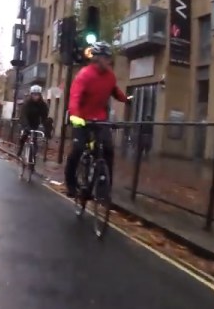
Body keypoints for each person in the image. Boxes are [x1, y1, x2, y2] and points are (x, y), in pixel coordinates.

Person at [64, 42, 130, 198]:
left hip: (100, 119)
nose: (109, 60)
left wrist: (126, 99)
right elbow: (75, 97)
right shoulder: (84, 75)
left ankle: (103, 188)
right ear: (97, 58)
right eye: (105, 57)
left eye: (109, 56)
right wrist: (75, 116)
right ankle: (71, 185)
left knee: (107, 150)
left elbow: (114, 91)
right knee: (78, 149)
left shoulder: (110, 75)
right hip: (81, 118)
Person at [17, 85, 49, 158]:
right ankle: (20, 148)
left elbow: (44, 116)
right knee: (24, 135)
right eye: (34, 95)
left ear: (40, 95)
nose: (36, 97)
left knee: (34, 141)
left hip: (35, 123)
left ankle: (32, 164)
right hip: (26, 121)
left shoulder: (42, 105)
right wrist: (26, 126)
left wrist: (46, 127)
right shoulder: (27, 104)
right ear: (31, 95)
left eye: (37, 95)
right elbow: (24, 115)